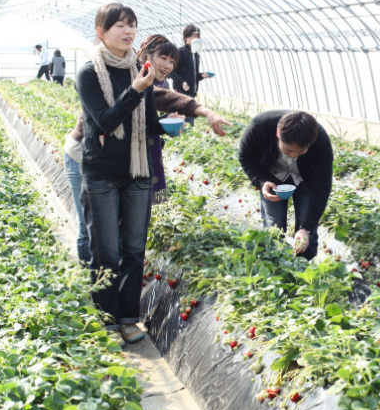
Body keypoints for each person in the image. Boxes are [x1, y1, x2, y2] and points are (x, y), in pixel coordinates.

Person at [76, 3, 164, 346]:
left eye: (132, 25)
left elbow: (150, 119)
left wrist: (177, 125)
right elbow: (106, 121)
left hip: (138, 172)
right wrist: (138, 89)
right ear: (101, 32)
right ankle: (106, 321)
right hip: (101, 174)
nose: (128, 31)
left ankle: (128, 319)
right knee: (106, 251)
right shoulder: (88, 73)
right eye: (120, 26)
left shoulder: (140, 69)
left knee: (133, 249)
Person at [136, 34, 231, 203]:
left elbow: (148, 122)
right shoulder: (136, 80)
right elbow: (164, 97)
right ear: (146, 56)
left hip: (137, 160)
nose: (168, 65)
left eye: (172, 62)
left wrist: (166, 120)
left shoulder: (160, 81)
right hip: (108, 162)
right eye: (163, 58)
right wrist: (204, 111)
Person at [238, 110, 333, 260]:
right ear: (277, 134)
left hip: (305, 179)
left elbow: (322, 186)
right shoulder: (259, 126)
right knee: (274, 227)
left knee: (306, 235)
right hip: (272, 176)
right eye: (289, 149)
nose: (294, 155)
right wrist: (261, 182)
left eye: (301, 151)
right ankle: (275, 265)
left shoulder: (320, 140)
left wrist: (306, 228)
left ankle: (303, 270)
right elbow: (245, 157)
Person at [168, 25, 214, 124]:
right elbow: (171, 71)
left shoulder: (196, 55)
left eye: (197, 36)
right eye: (193, 36)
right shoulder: (181, 52)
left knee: (188, 121)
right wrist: (182, 82)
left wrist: (202, 75)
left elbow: (193, 75)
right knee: (183, 120)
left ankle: (183, 136)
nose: (196, 39)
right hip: (181, 92)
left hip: (191, 93)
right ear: (186, 37)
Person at [62, 115, 89, 263]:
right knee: (85, 219)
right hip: (77, 157)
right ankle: (88, 272)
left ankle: (97, 270)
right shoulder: (99, 95)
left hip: (94, 159)